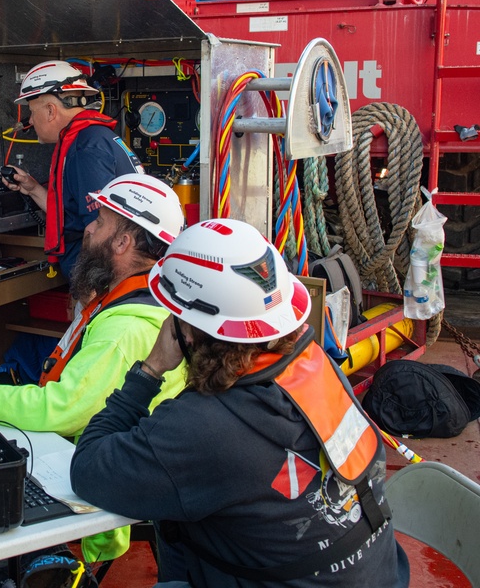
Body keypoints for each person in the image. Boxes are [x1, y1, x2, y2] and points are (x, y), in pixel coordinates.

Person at [70, 219, 410, 587]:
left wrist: (150, 371)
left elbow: (88, 469)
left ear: (185, 328)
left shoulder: (204, 425)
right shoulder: (314, 365)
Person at [0, 173, 188, 562]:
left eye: (100, 222)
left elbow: (60, 410)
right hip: (119, 451)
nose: (88, 230)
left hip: (102, 470)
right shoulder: (145, 296)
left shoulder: (124, 329)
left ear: (123, 241)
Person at [3, 60, 144, 278]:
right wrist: (32, 189)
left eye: (32, 111)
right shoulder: (93, 136)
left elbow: (100, 229)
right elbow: (74, 214)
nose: (30, 121)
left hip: (104, 278)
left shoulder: (84, 148)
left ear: (50, 111)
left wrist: (91, 289)